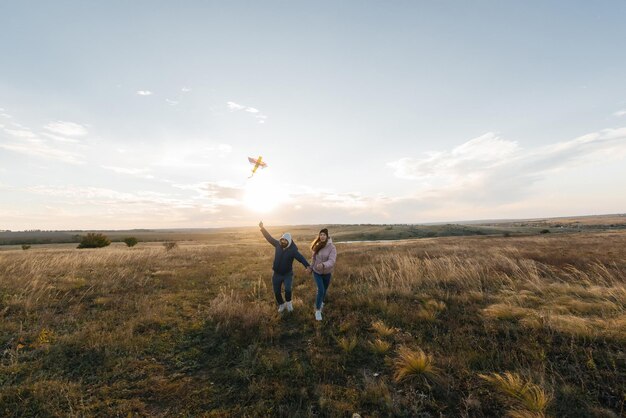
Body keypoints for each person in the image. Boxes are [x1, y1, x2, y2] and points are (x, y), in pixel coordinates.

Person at [259, 221, 310, 313]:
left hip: (287, 274)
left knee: (287, 289)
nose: (283, 242)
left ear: (289, 242)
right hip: (276, 274)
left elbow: (301, 258)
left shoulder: (293, 250)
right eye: (282, 240)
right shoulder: (277, 244)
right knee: (277, 292)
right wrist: (262, 229)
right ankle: (282, 305)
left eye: (285, 241)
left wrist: (307, 266)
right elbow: (269, 238)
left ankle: (289, 303)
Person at [309, 228, 337, 321]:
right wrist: (310, 268)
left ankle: (321, 302)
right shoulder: (317, 245)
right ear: (319, 236)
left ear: (327, 236)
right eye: (321, 234)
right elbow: (313, 259)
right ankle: (317, 310)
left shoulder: (332, 247)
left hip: (327, 273)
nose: (322, 236)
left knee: (324, 291)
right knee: (320, 290)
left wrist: (324, 265)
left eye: (324, 235)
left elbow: (332, 261)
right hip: (317, 272)